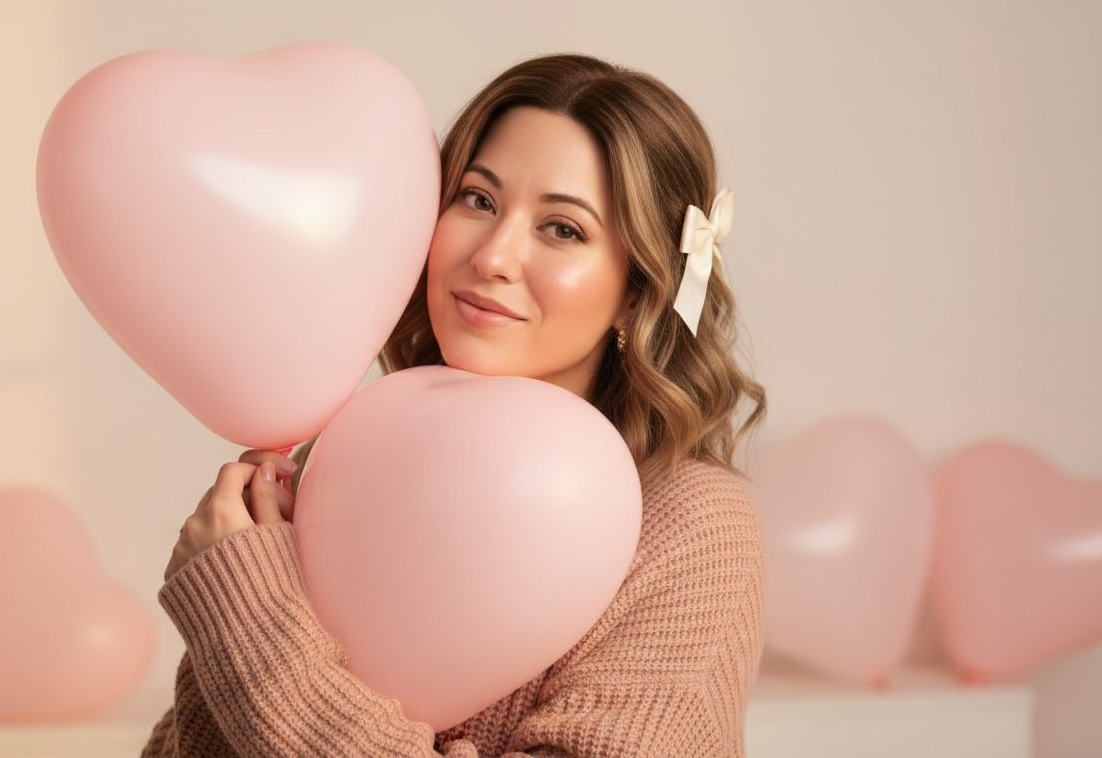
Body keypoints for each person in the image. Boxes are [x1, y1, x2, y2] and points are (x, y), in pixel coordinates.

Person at [144, 53, 766, 758]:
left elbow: (273, 686)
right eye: (478, 199)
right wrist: (239, 595)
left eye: (562, 228)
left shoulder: (692, 526)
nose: (494, 255)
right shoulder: (352, 453)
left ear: (635, 291)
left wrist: (250, 620)